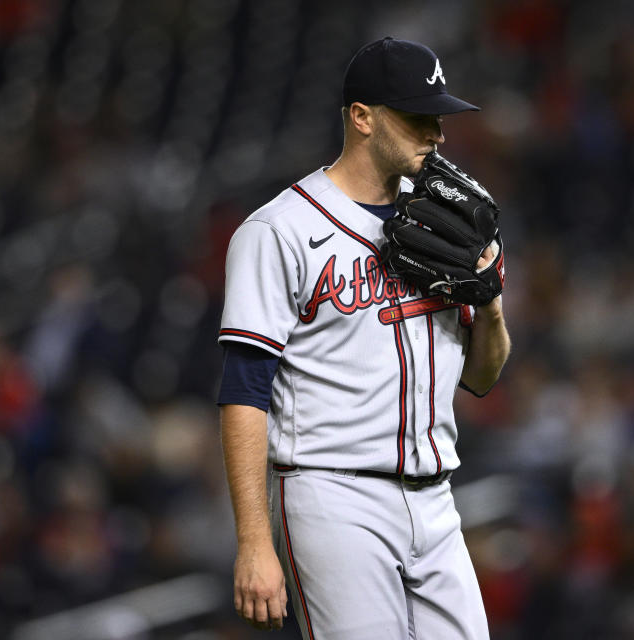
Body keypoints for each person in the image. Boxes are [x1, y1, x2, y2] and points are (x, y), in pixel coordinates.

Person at [216, 37, 510, 640]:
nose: (437, 133)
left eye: (440, 117)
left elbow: (480, 379)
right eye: (418, 117)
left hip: (437, 500)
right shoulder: (278, 230)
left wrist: (493, 303)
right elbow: (244, 392)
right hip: (332, 497)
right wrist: (252, 542)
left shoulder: (443, 222)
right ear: (362, 117)